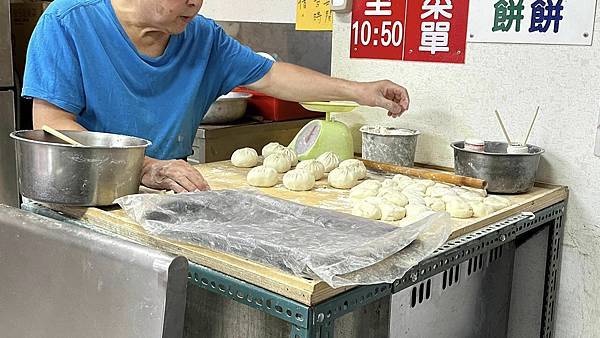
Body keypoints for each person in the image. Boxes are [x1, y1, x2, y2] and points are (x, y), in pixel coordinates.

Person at [24, 0, 410, 193]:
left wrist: (361, 92)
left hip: (164, 197)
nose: (196, 2)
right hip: (82, 201)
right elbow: (53, 125)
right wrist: (144, 167)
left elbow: (273, 77)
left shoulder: (201, 37)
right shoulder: (67, 23)